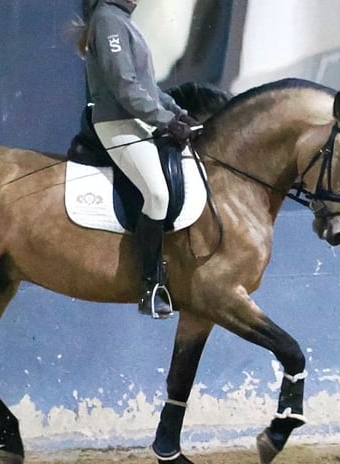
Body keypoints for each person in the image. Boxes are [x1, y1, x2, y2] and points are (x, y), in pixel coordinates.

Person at [78, 0, 198, 318]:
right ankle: (150, 286)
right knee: (157, 194)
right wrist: (165, 121)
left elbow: (148, 89)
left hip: (136, 119)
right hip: (117, 122)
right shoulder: (107, 20)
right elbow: (124, 87)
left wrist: (179, 112)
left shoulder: (122, 20)